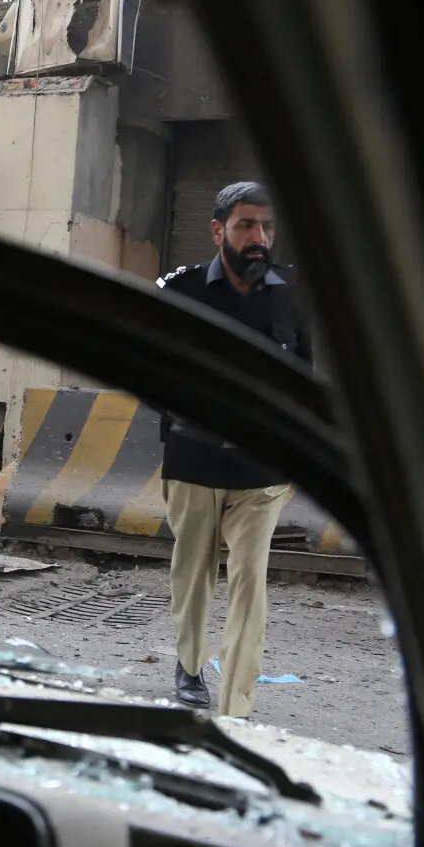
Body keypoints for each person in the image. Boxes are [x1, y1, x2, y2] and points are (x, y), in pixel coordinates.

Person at [157, 180, 312, 715]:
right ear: (219, 229)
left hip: (261, 469)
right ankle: (191, 665)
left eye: (267, 227)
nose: (259, 237)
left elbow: (303, 380)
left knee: (250, 581)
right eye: (247, 225)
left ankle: (237, 705)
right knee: (192, 574)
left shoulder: (292, 296)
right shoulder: (181, 289)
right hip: (194, 459)